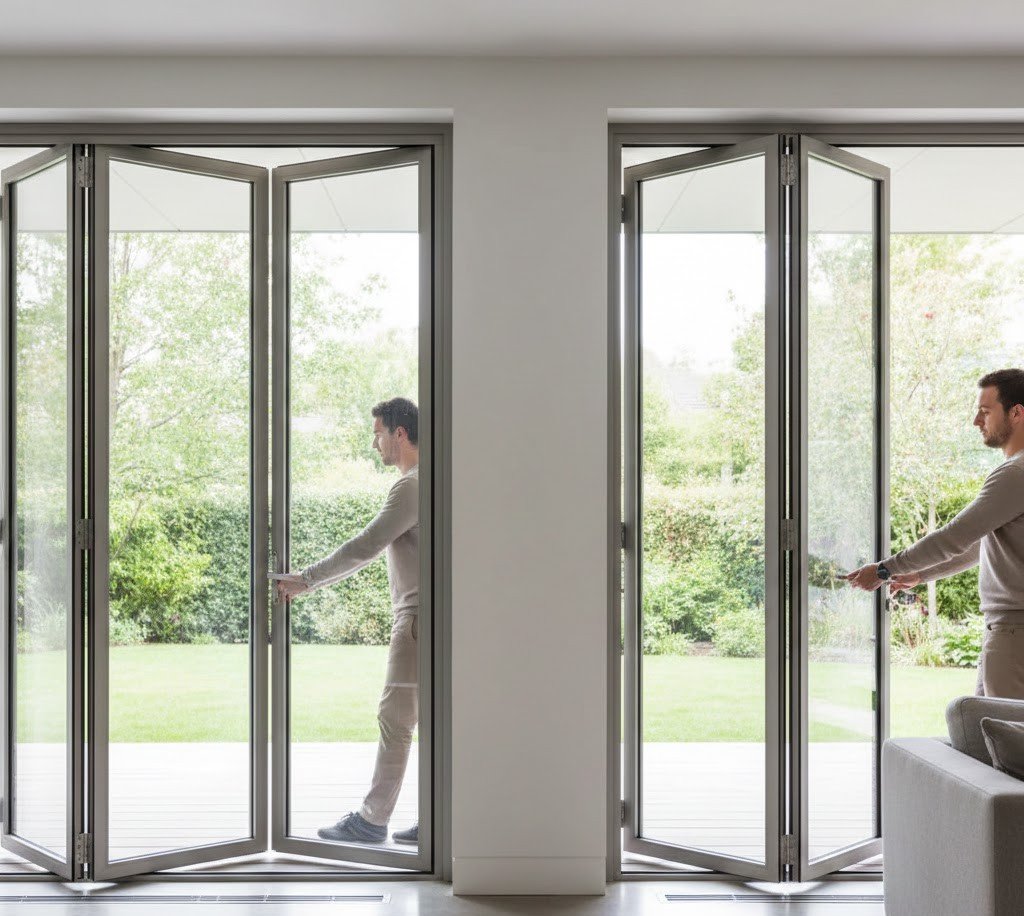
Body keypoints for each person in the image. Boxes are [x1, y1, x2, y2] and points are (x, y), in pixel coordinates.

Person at [277, 397, 421, 845]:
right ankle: (444, 816)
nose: (375, 443)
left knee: (395, 719)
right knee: (437, 720)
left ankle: (372, 821)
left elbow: (368, 544)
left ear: (400, 433)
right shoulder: (439, 481)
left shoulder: (412, 486)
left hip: (417, 620)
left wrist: (307, 579)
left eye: (378, 433)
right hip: (439, 618)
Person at [844, 368, 1024, 699]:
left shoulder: (1015, 474)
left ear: (1016, 413)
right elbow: (977, 545)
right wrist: (919, 574)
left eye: (985, 412)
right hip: (1008, 630)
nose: (975, 421)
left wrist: (886, 569)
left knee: (1006, 742)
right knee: (987, 734)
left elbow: (953, 537)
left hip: (1014, 633)